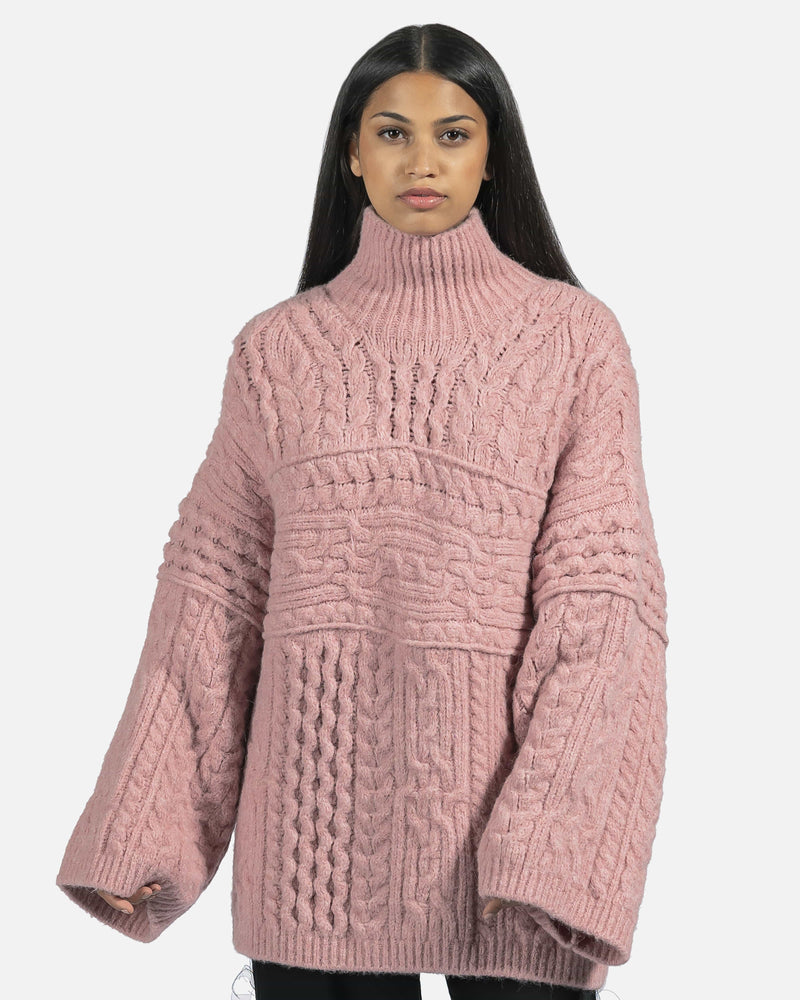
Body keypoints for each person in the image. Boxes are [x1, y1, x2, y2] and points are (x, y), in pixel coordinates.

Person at [56, 22, 668, 1000]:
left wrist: (555, 844)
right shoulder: (276, 352)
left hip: (505, 874)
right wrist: (143, 830)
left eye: (453, 135)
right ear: (351, 152)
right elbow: (211, 600)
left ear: (493, 155)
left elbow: (604, 610)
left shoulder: (573, 340)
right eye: (391, 133)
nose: (422, 161)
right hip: (311, 844)